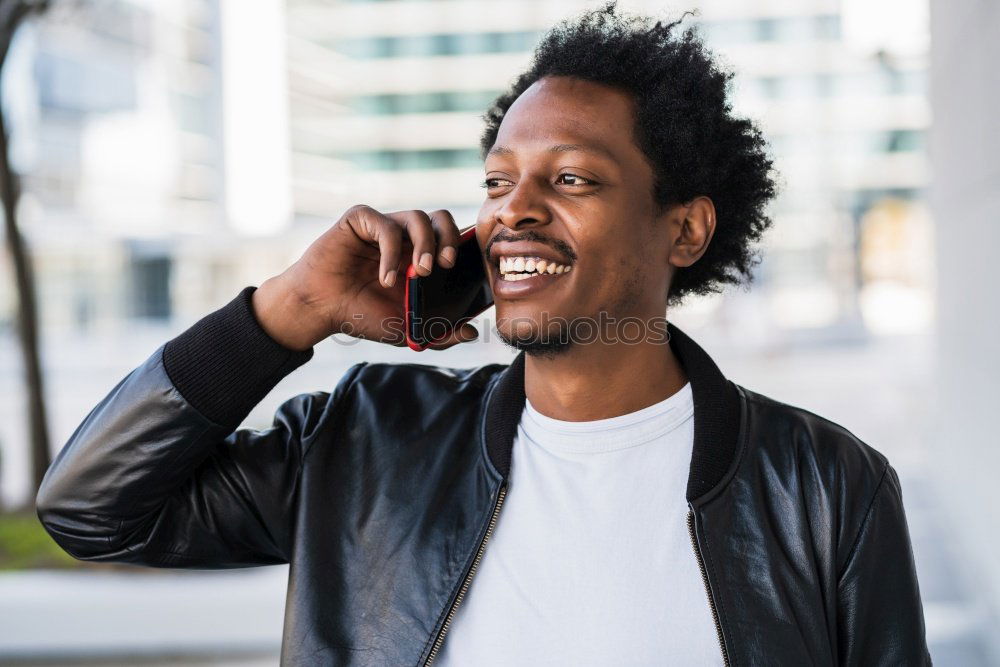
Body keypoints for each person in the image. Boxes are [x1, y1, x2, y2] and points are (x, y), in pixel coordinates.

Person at [36, 3, 931, 665]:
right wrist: (290, 310)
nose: (514, 214)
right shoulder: (367, 437)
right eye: (499, 183)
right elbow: (91, 510)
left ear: (685, 230)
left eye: (572, 179)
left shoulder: (825, 485)